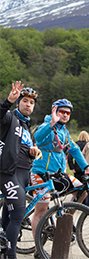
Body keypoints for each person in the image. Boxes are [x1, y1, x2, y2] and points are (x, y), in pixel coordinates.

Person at [32, 98, 89, 257]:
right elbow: (38, 137)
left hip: (58, 174)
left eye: (68, 113)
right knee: (41, 210)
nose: (65, 115)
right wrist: (52, 123)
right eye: (62, 111)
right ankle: (38, 249)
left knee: (82, 190)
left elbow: (74, 150)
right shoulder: (47, 125)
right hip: (41, 173)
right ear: (54, 111)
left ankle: (65, 219)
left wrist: (86, 167)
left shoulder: (64, 131)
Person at [0, 82, 40, 259]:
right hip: (8, 173)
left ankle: (3, 247)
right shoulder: (10, 118)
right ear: (18, 103)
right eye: (24, 101)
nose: (28, 105)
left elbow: (21, 149)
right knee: (18, 213)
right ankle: (11, 254)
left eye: (31, 103)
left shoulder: (26, 126)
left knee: (8, 218)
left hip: (23, 174)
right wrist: (8, 101)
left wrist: (33, 152)